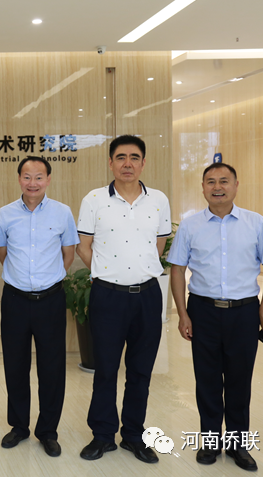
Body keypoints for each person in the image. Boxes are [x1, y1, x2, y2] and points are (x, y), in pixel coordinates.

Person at [167, 163, 263, 472]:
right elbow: (177, 270)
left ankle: (237, 445)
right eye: (210, 181)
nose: (217, 187)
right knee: (206, 380)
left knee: (238, 381)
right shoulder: (190, 226)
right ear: (203, 187)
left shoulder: (256, 223)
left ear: (235, 185)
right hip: (203, 311)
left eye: (224, 181)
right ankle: (209, 442)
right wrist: (183, 313)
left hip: (244, 313)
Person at [76, 135, 171, 464]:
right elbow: (83, 247)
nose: (127, 163)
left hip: (147, 296)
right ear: (110, 163)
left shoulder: (158, 200)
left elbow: (158, 245)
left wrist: (139, 271)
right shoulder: (94, 200)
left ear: (143, 163)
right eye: (120, 157)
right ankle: (102, 435)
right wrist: (106, 272)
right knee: (105, 369)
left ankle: (133, 435)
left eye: (134, 157)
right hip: (108, 297)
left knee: (140, 371)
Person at [0, 156, 78, 458]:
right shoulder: (5, 214)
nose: (33, 183)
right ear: (19, 179)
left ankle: (48, 431)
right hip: (15, 300)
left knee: (52, 368)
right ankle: (18, 426)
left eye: (39, 177)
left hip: (50, 300)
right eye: (27, 177)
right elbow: (3, 254)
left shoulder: (62, 212)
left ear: (48, 180)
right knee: (15, 365)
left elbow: (68, 254)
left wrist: (47, 279)